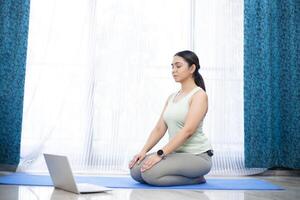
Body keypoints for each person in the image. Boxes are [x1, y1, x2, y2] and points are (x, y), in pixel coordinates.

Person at [128, 50, 213, 186]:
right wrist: (143, 151)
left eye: (178, 66)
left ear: (192, 68)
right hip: (176, 154)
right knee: (136, 171)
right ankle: (189, 176)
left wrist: (160, 154)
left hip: (198, 157)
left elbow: (188, 131)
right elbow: (159, 128)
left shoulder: (199, 95)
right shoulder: (172, 97)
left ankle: (197, 178)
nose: (174, 70)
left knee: (149, 174)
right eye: (172, 66)